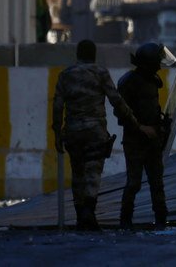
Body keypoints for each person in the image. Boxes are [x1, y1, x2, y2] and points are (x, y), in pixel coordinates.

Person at [52, 39, 143, 231]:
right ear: (94, 55)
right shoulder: (100, 73)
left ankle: (80, 218)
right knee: (93, 172)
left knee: (77, 173)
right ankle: (89, 213)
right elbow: (115, 100)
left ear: (77, 54)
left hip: (73, 131)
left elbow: (58, 105)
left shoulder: (65, 75)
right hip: (95, 132)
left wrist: (57, 132)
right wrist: (132, 121)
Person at [116, 42, 171, 230]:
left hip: (153, 140)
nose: (160, 64)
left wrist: (161, 126)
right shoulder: (129, 81)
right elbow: (121, 112)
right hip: (135, 140)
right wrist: (141, 127)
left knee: (157, 181)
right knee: (134, 182)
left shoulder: (151, 79)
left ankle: (162, 220)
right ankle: (125, 221)